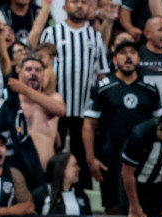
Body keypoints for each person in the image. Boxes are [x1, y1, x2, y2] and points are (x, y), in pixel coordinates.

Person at [84, 40, 161, 214]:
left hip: (143, 159)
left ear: (138, 59)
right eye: (123, 53)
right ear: (114, 60)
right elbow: (89, 124)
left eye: (133, 52)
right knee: (113, 208)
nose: (128, 57)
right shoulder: (103, 88)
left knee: (144, 207)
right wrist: (90, 158)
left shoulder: (149, 87)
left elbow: (158, 125)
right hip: (110, 157)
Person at [40, 0, 110, 190]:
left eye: (84, 2)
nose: (79, 6)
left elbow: (101, 73)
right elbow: (42, 69)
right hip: (56, 108)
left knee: (82, 157)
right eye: (74, 1)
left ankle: (81, 197)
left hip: (85, 109)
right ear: (65, 6)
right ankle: (51, 192)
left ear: (90, 8)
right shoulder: (51, 33)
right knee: (53, 153)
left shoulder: (95, 36)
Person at [7, 55, 66, 170]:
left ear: (43, 76)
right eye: (28, 69)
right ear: (20, 75)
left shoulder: (54, 98)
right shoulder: (10, 101)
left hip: (45, 172)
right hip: (16, 171)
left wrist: (25, 90)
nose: (33, 73)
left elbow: (60, 110)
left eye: (38, 70)